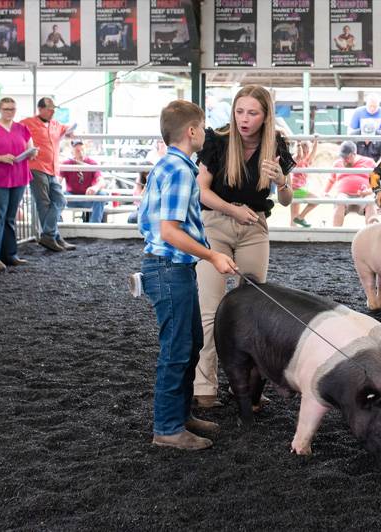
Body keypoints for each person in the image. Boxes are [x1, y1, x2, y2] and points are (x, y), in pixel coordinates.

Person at [137, 99, 236, 450]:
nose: (206, 132)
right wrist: (214, 255)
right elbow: (170, 231)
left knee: (190, 342)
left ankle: (179, 416)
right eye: (204, 126)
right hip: (169, 268)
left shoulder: (169, 165)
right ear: (192, 131)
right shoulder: (181, 171)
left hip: (169, 268)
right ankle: (167, 428)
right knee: (177, 349)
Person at [193, 85, 295, 409]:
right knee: (210, 309)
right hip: (215, 225)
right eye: (239, 111)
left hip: (255, 229)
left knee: (255, 311)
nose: (244, 119)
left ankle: (249, 389)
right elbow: (202, 192)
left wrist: (281, 181)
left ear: (266, 116)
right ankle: (204, 385)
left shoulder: (277, 145)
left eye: (252, 113)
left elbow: (286, 199)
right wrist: (231, 209)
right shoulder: (217, 141)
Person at [21, 97, 76, 252]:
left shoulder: (56, 124)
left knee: (60, 200)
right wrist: (25, 146)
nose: (52, 112)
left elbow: (68, 129)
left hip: (52, 169)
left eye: (54, 109)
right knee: (43, 203)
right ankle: (54, 237)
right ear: (40, 109)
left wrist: (71, 131)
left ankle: (49, 236)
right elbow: (13, 132)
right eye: (49, 109)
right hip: (36, 167)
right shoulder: (27, 123)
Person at [0, 97, 35, 272]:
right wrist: (1, 158)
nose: (9, 112)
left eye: (12, 109)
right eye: (6, 109)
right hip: (0, 177)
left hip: (19, 176)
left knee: (10, 217)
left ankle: (10, 255)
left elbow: (30, 149)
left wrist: (32, 153)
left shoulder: (22, 128)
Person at [325, 141, 377, 227]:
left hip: (363, 195)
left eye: (347, 158)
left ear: (354, 154)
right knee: (340, 200)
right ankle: (335, 233)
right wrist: (325, 192)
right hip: (344, 195)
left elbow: (377, 183)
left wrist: (369, 191)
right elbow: (331, 180)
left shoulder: (369, 162)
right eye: (342, 157)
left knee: (370, 201)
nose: (344, 161)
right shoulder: (337, 164)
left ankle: (372, 232)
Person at [60, 140, 108, 223]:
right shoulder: (66, 163)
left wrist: (95, 187)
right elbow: (57, 180)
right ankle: (57, 224)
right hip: (71, 198)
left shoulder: (92, 163)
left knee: (102, 194)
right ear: (72, 152)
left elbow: (102, 181)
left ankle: (94, 227)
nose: (81, 153)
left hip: (87, 197)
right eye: (77, 151)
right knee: (56, 194)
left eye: (82, 150)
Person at [128, 139, 167, 224]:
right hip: (144, 208)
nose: (147, 175)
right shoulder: (140, 181)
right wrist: (147, 185)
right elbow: (138, 201)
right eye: (145, 174)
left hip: (156, 209)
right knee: (132, 218)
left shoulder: (159, 178)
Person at [291, 138, 319, 227]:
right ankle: (301, 217)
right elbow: (299, 155)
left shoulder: (306, 161)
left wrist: (316, 141)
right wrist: (298, 144)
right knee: (316, 200)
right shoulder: (296, 158)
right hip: (295, 190)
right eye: (305, 151)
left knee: (293, 218)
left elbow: (313, 153)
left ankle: (296, 222)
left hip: (299, 190)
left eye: (307, 151)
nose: (306, 153)